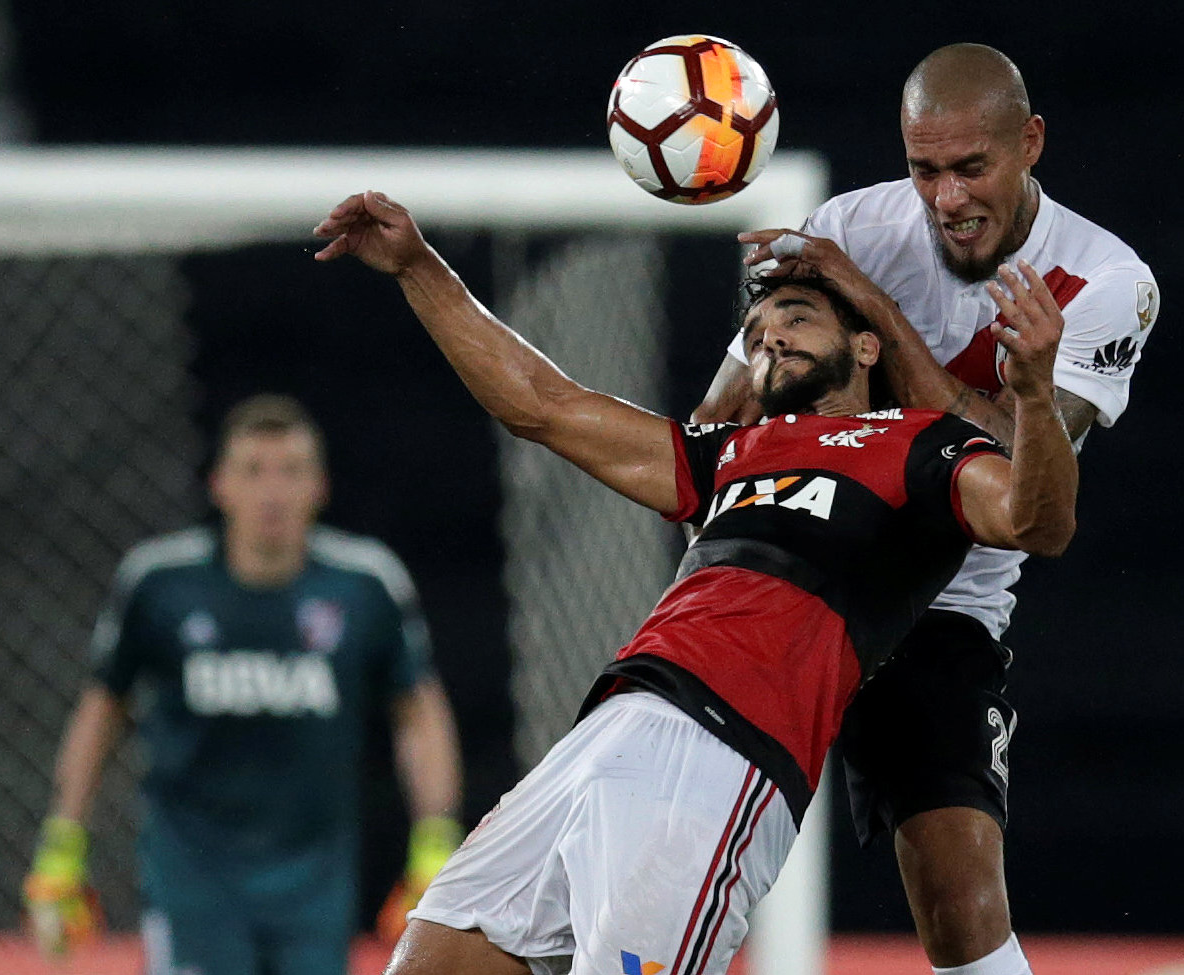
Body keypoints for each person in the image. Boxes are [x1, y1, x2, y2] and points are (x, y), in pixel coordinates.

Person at [311, 189, 1076, 975]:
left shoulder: (921, 445)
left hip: (723, 757)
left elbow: (1036, 523)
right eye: (755, 331)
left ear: (868, 344)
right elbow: (543, 406)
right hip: (603, 730)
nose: (769, 337)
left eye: (796, 318)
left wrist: (1036, 395)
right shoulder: (730, 453)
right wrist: (417, 267)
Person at [694, 43, 1159, 975]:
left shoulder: (1108, 283)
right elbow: (720, 415)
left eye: (970, 167)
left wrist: (867, 302)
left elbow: (1021, 474)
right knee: (671, 851)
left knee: (961, 901)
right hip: (803, 571)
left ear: (1030, 143)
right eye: (923, 169)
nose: (945, 198)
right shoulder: (850, 225)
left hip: (943, 604)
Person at [22, 393, 464, 975]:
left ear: (320, 487)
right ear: (220, 485)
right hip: (192, 878)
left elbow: (418, 711)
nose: (272, 492)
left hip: (315, 880)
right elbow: (102, 710)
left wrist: (436, 842)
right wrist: (61, 847)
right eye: (253, 471)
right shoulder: (159, 583)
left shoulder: (366, 586)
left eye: (291, 471)